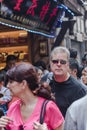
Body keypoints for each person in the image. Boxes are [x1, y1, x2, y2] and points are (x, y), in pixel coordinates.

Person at [0, 62, 64, 130]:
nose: (7, 86)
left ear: (23, 84)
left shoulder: (48, 107)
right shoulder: (13, 107)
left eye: (11, 82)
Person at [49, 46, 86, 117]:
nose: (58, 64)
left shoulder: (79, 89)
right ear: (50, 63)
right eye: (55, 61)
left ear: (68, 64)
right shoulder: (47, 84)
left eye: (62, 62)